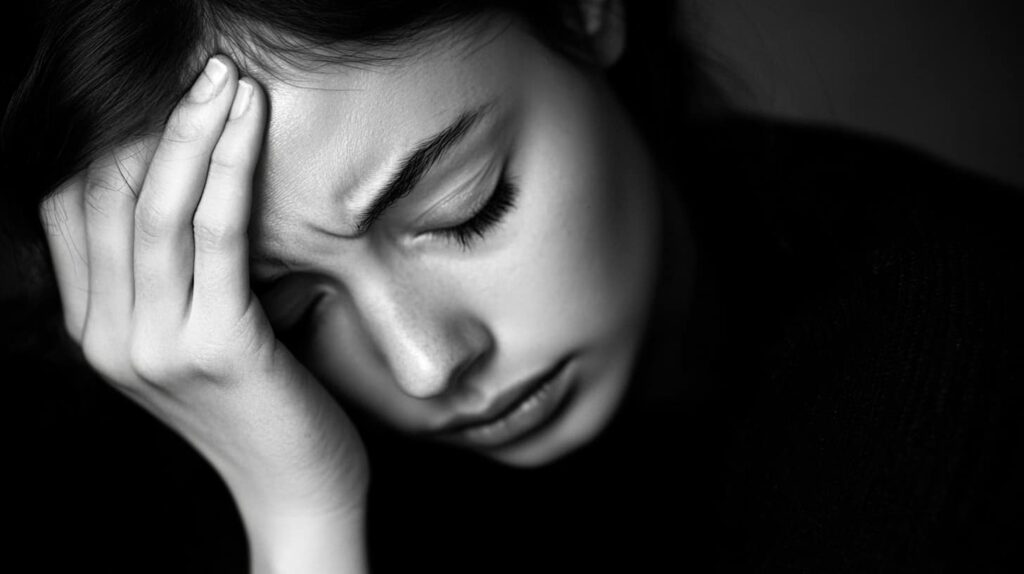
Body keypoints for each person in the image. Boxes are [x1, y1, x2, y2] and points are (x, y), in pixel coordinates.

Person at [2, 1, 1021, 572]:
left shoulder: (954, 344)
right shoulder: (179, 450)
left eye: (465, 208)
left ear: (582, 10)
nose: (426, 363)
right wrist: (301, 518)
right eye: (292, 313)